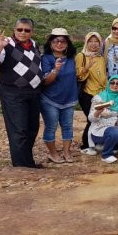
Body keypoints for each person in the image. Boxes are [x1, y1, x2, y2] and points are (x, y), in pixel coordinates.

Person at [0, 18, 44, 168]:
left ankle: (28, 163)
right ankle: (21, 166)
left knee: (32, 129)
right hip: (13, 94)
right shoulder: (5, 44)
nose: (22, 33)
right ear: (15, 29)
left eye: (27, 30)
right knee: (19, 129)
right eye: (19, 29)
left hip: (33, 93)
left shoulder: (34, 45)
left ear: (32, 32)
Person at [39, 28, 78, 163]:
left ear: (67, 43)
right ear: (50, 43)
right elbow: (45, 81)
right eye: (56, 41)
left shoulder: (72, 59)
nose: (59, 44)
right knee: (51, 127)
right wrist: (55, 69)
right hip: (50, 99)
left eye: (63, 41)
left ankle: (67, 152)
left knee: (67, 126)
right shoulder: (46, 59)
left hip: (69, 99)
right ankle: (53, 153)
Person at [76, 32, 107, 155]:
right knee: (92, 119)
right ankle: (86, 145)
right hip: (87, 93)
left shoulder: (100, 58)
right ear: (86, 42)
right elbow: (79, 76)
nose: (93, 44)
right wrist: (86, 67)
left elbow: (103, 75)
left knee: (100, 119)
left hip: (101, 93)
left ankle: (97, 143)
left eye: (96, 41)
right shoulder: (81, 56)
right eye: (91, 41)